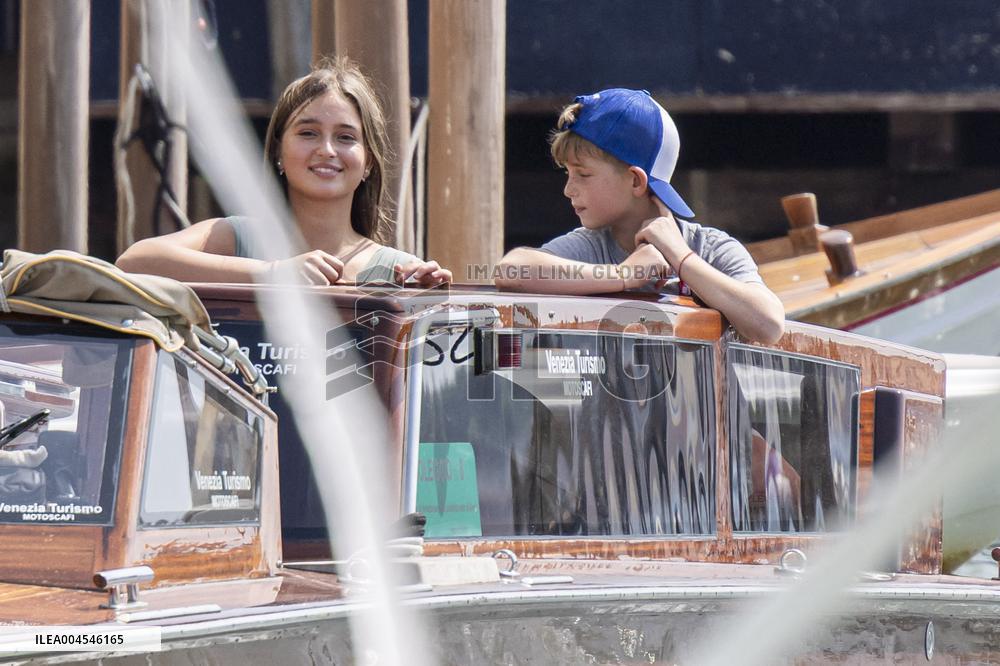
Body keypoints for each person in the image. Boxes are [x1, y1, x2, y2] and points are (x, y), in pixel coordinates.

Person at [117, 57, 450, 287]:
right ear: (278, 151)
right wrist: (273, 273)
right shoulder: (237, 238)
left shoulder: (399, 271)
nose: (327, 150)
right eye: (308, 133)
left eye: (346, 137)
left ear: (368, 163)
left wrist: (428, 304)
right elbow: (133, 262)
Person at [496, 88, 784, 344]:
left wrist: (681, 258)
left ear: (636, 181)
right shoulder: (590, 245)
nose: (568, 190)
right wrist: (623, 275)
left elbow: (769, 326)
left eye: (583, 174)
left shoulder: (709, 248)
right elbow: (511, 270)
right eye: (567, 174)